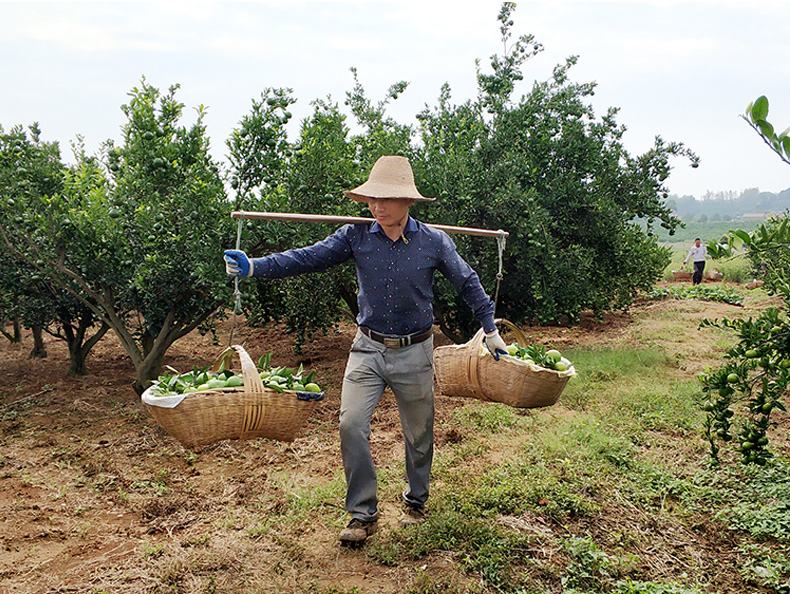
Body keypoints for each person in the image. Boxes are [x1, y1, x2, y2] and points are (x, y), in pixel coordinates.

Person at [223, 155, 508, 545]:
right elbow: (307, 258)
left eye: (386, 199)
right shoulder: (355, 236)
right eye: (372, 198)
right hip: (367, 349)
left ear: (408, 202)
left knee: (420, 432)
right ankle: (362, 513)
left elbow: (469, 282)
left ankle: (416, 502)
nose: (376, 206)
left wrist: (490, 329)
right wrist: (255, 266)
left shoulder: (434, 242)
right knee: (350, 424)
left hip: (415, 350)